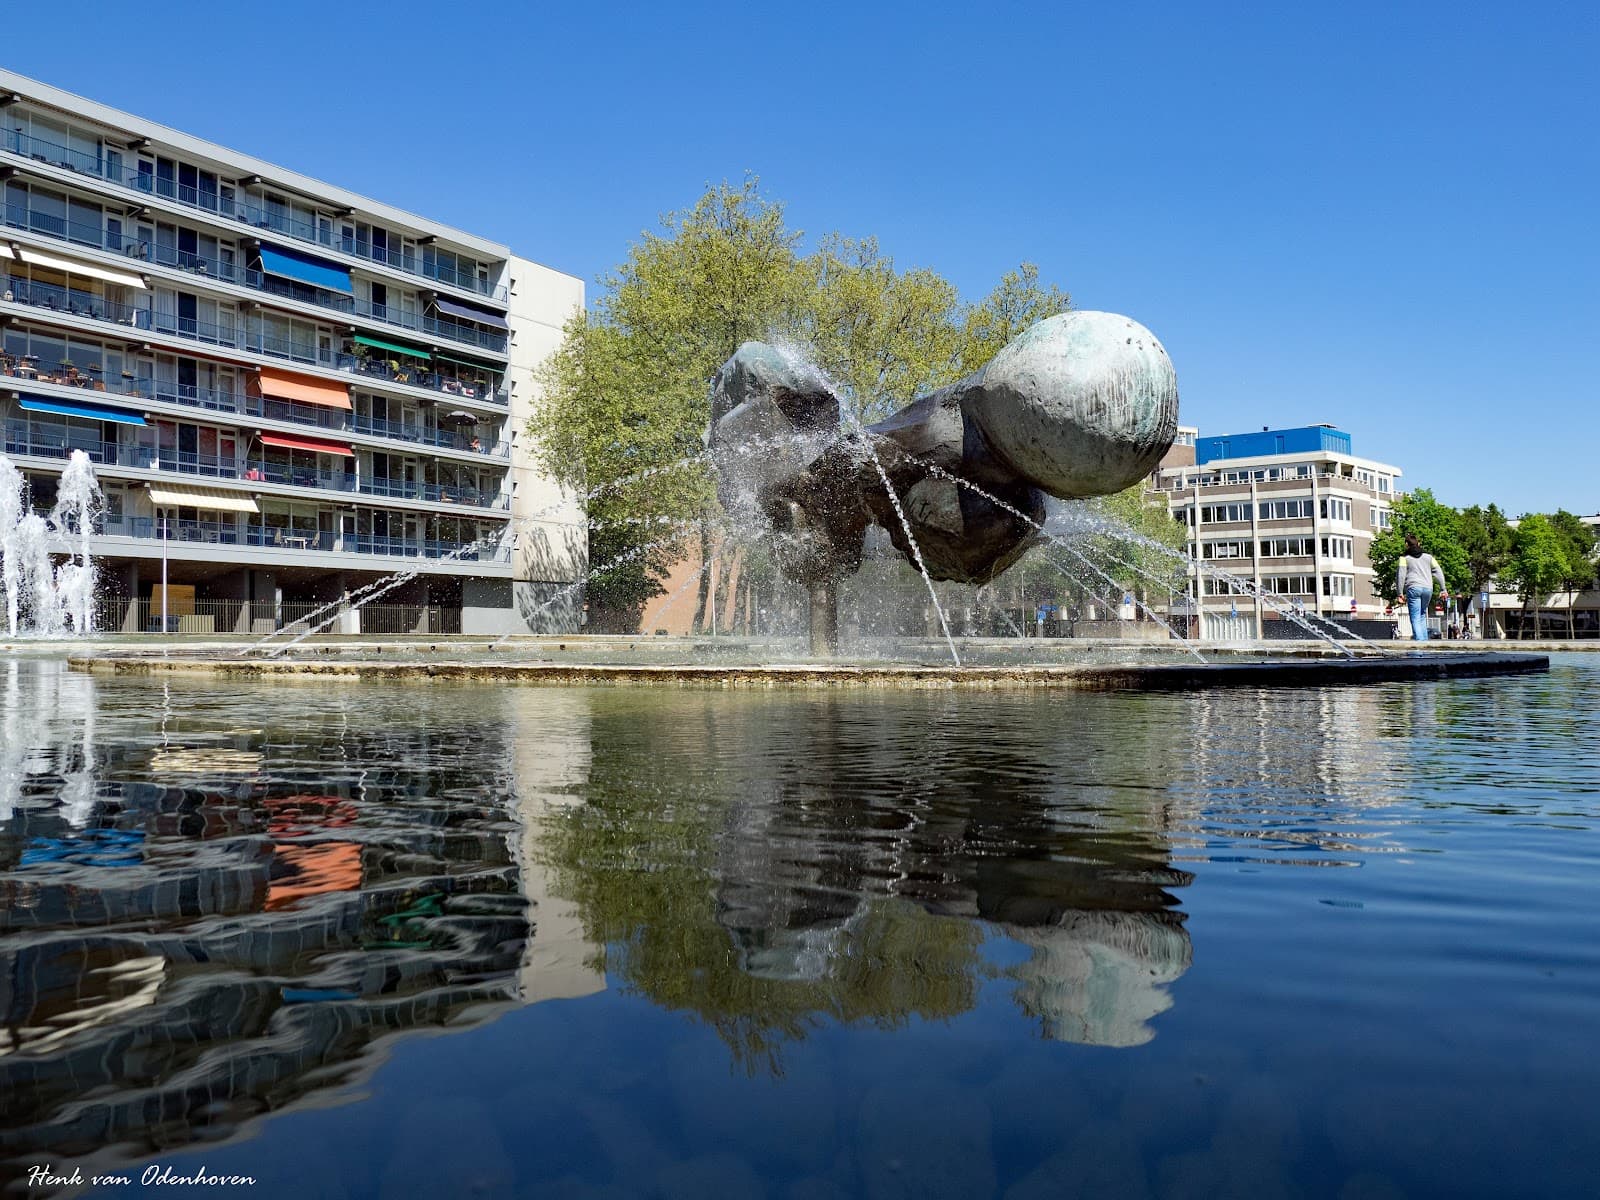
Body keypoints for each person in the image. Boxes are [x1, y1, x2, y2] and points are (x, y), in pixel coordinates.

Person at [1397, 533, 1448, 642]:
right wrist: (1443, 589)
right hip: (1428, 589)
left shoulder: (1404, 558)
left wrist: (1400, 593)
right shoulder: (1429, 557)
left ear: (1406, 544)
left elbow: (1401, 576)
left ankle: (1420, 643)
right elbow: (1438, 571)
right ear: (1419, 543)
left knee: (1415, 617)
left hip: (1413, 588)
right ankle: (1425, 643)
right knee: (1422, 614)